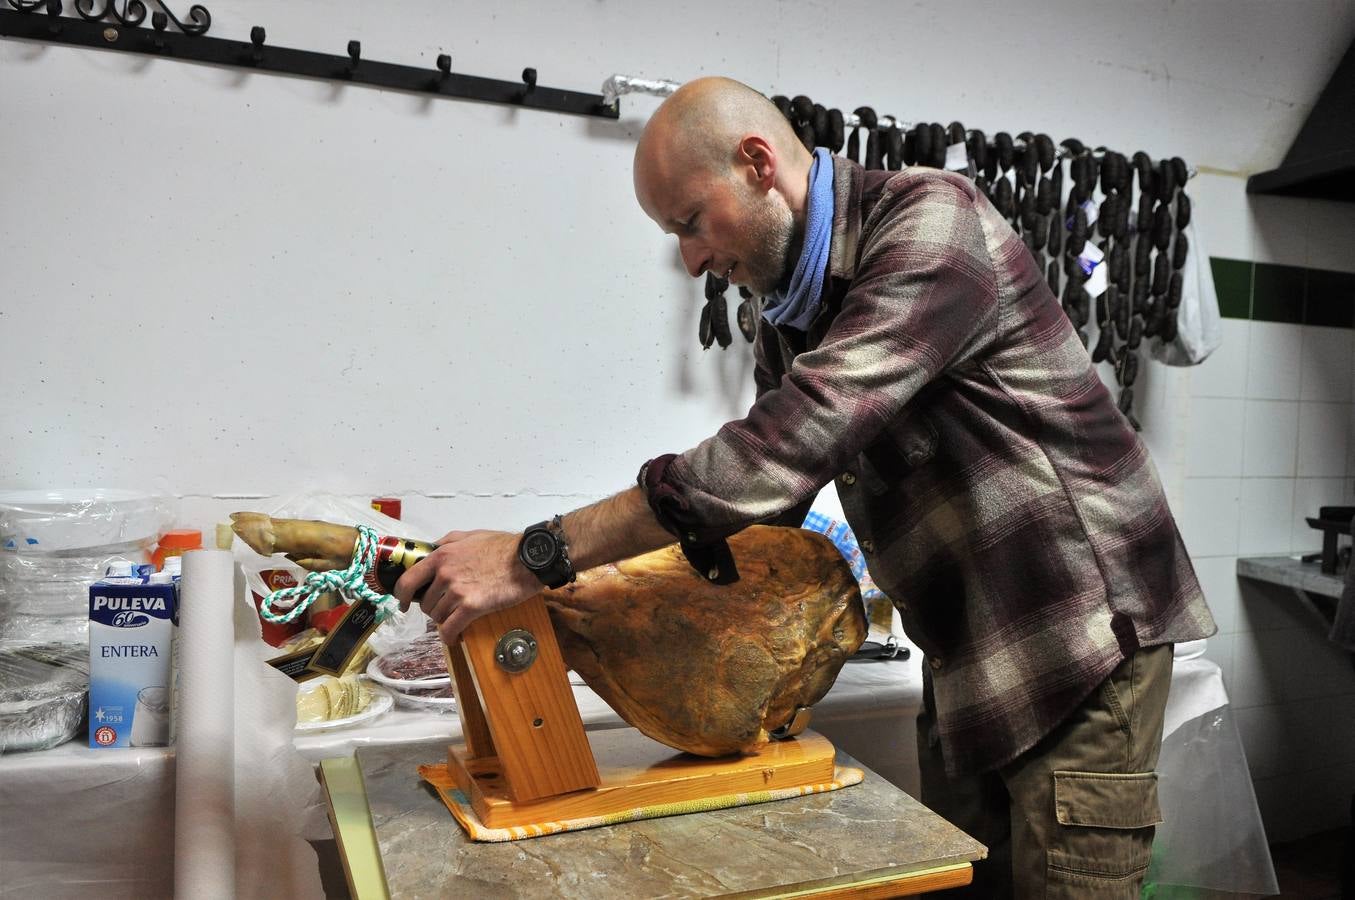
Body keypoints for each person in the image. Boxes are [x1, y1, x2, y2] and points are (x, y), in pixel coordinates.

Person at [393, 76, 1215, 897]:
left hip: (1076, 633)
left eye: (689, 224)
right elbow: (763, 512)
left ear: (756, 163)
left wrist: (537, 554)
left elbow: (779, 449)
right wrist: (589, 590)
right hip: (966, 643)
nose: (691, 261)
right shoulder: (792, 308)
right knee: (965, 882)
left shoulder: (934, 223)